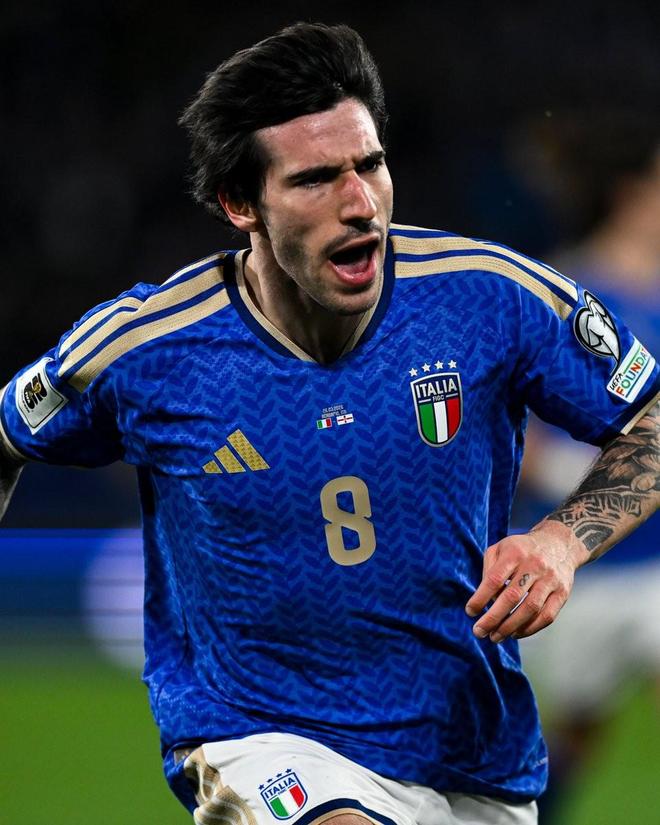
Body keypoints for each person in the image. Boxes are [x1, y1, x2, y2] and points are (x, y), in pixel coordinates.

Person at [0, 23, 658, 825]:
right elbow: (6, 434)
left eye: (370, 165)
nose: (359, 204)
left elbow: (651, 414)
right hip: (263, 736)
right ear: (240, 204)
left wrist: (561, 540)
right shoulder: (147, 349)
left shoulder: (488, 298)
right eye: (315, 179)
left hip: (470, 755)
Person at [510, 111, 660, 822]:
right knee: (568, 740)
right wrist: (604, 477)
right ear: (631, 191)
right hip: (580, 569)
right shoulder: (567, 294)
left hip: (657, 569)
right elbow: (518, 437)